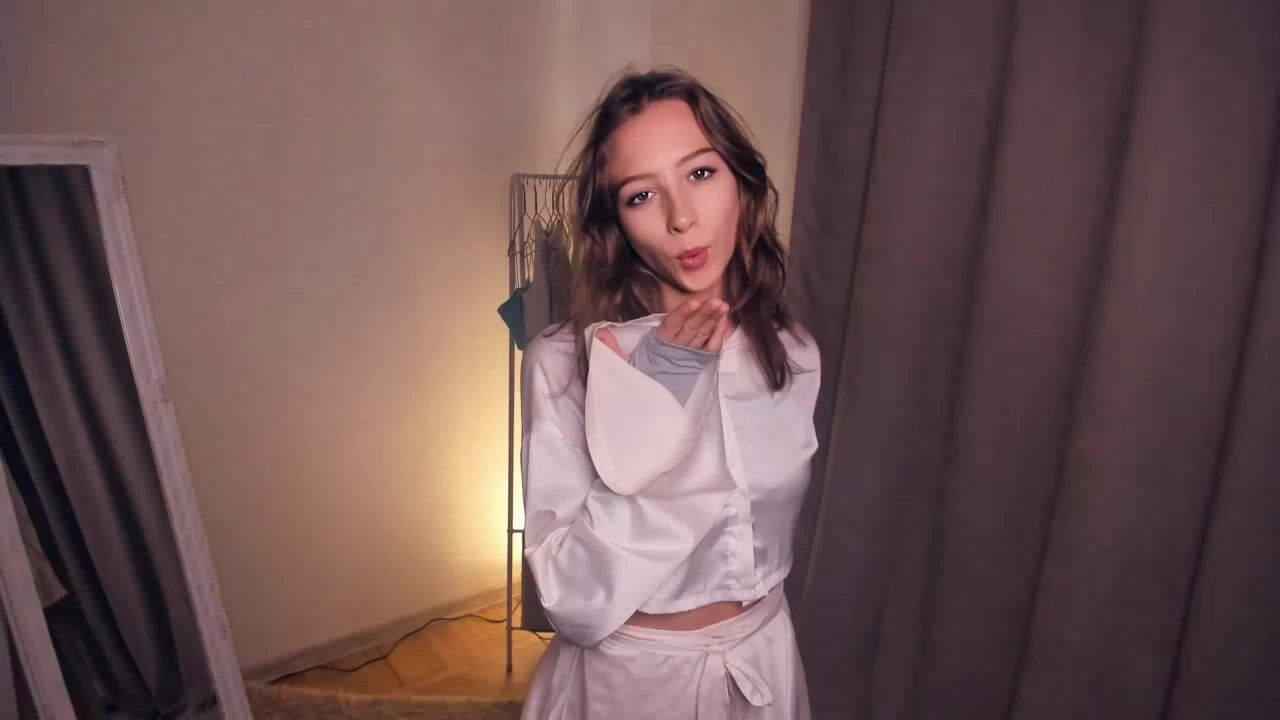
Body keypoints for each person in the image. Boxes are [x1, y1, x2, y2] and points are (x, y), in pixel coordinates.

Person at [518, 67, 821, 719]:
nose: (682, 218)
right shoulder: (564, 365)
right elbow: (571, 600)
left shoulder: (791, 353)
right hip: (629, 685)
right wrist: (658, 402)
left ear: (741, 181)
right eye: (641, 195)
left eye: (701, 173)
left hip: (765, 666)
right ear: (616, 223)